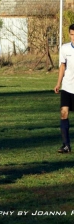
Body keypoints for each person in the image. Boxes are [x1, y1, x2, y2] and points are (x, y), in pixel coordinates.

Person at [54, 24, 74, 153]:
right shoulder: (65, 48)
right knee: (64, 113)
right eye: (72, 34)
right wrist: (58, 83)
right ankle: (66, 145)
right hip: (67, 86)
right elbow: (62, 66)